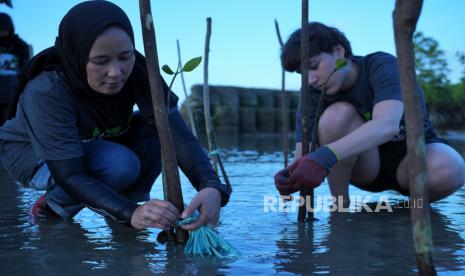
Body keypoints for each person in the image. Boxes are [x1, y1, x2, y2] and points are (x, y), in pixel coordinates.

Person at [0, 1, 231, 231]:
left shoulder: (140, 72)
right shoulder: (47, 89)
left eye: (125, 57)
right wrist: (130, 212)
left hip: (91, 143)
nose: (116, 72)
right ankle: (51, 208)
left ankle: (124, 207)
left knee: (156, 129)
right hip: (32, 154)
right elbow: (70, 173)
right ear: (77, 56)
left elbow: (176, 134)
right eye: (100, 61)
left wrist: (210, 185)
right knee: (119, 163)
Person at [274, 22, 465, 205]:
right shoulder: (313, 92)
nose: (311, 79)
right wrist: (292, 176)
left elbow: (387, 125)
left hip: (413, 155)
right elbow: (304, 151)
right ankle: (339, 208)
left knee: (449, 168)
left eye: (314, 66)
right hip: (366, 167)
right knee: (338, 115)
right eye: (302, 73)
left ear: (339, 52)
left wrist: (325, 155)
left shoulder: (381, 66)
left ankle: (408, 213)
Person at [0, 12, 30, 126]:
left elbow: (26, 66)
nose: (2, 32)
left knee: (9, 119)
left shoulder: (19, 45)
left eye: (4, 29)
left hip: (12, 88)